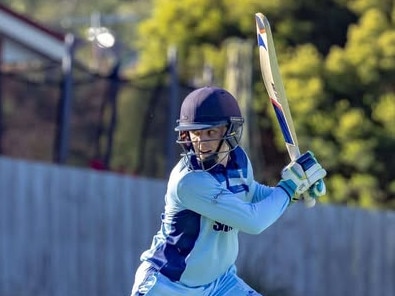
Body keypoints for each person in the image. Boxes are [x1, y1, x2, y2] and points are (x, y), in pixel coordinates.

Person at [130, 86, 327, 296]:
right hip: (168, 286)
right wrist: (289, 187)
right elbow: (254, 221)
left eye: (210, 132)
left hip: (219, 284)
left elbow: (251, 193)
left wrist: (295, 190)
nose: (201, 142)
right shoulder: (189, 181)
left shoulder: (239, 161)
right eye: (196, 132)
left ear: (229, 131)